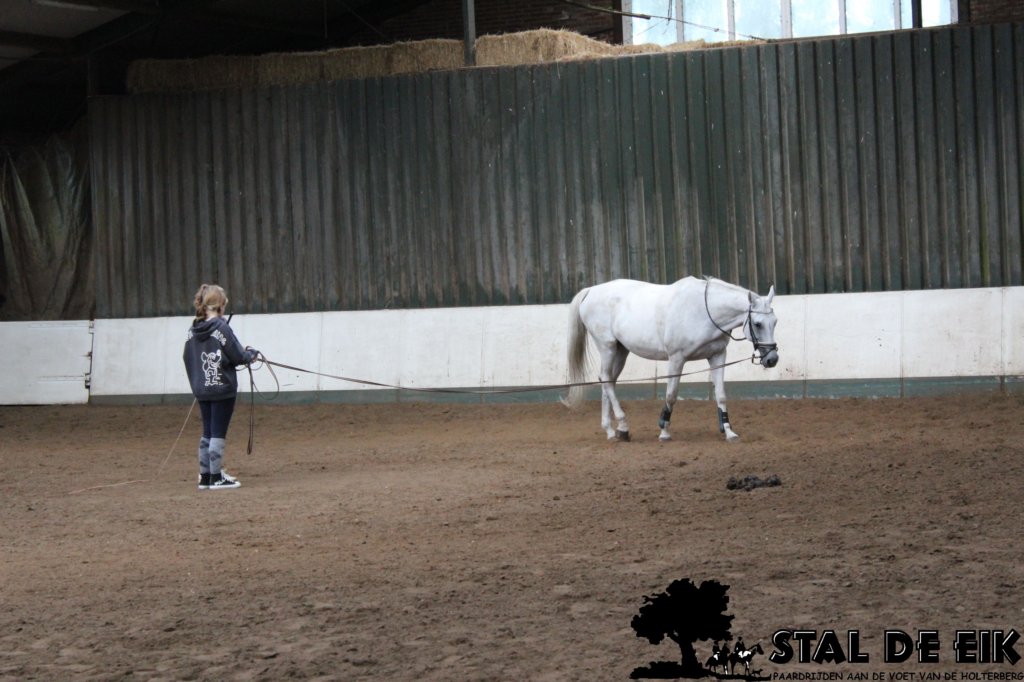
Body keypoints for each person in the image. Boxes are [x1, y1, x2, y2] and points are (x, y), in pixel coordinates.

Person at [183, 284, 258, 490]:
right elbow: (238, 355)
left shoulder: (192, 330)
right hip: (222, 388)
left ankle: (205, 475)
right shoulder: (221, 328)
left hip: (201, 389)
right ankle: (216, 477)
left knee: (207, 432)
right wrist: (251, 355)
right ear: (220, 305)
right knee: (218, 432)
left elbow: (187, 357)